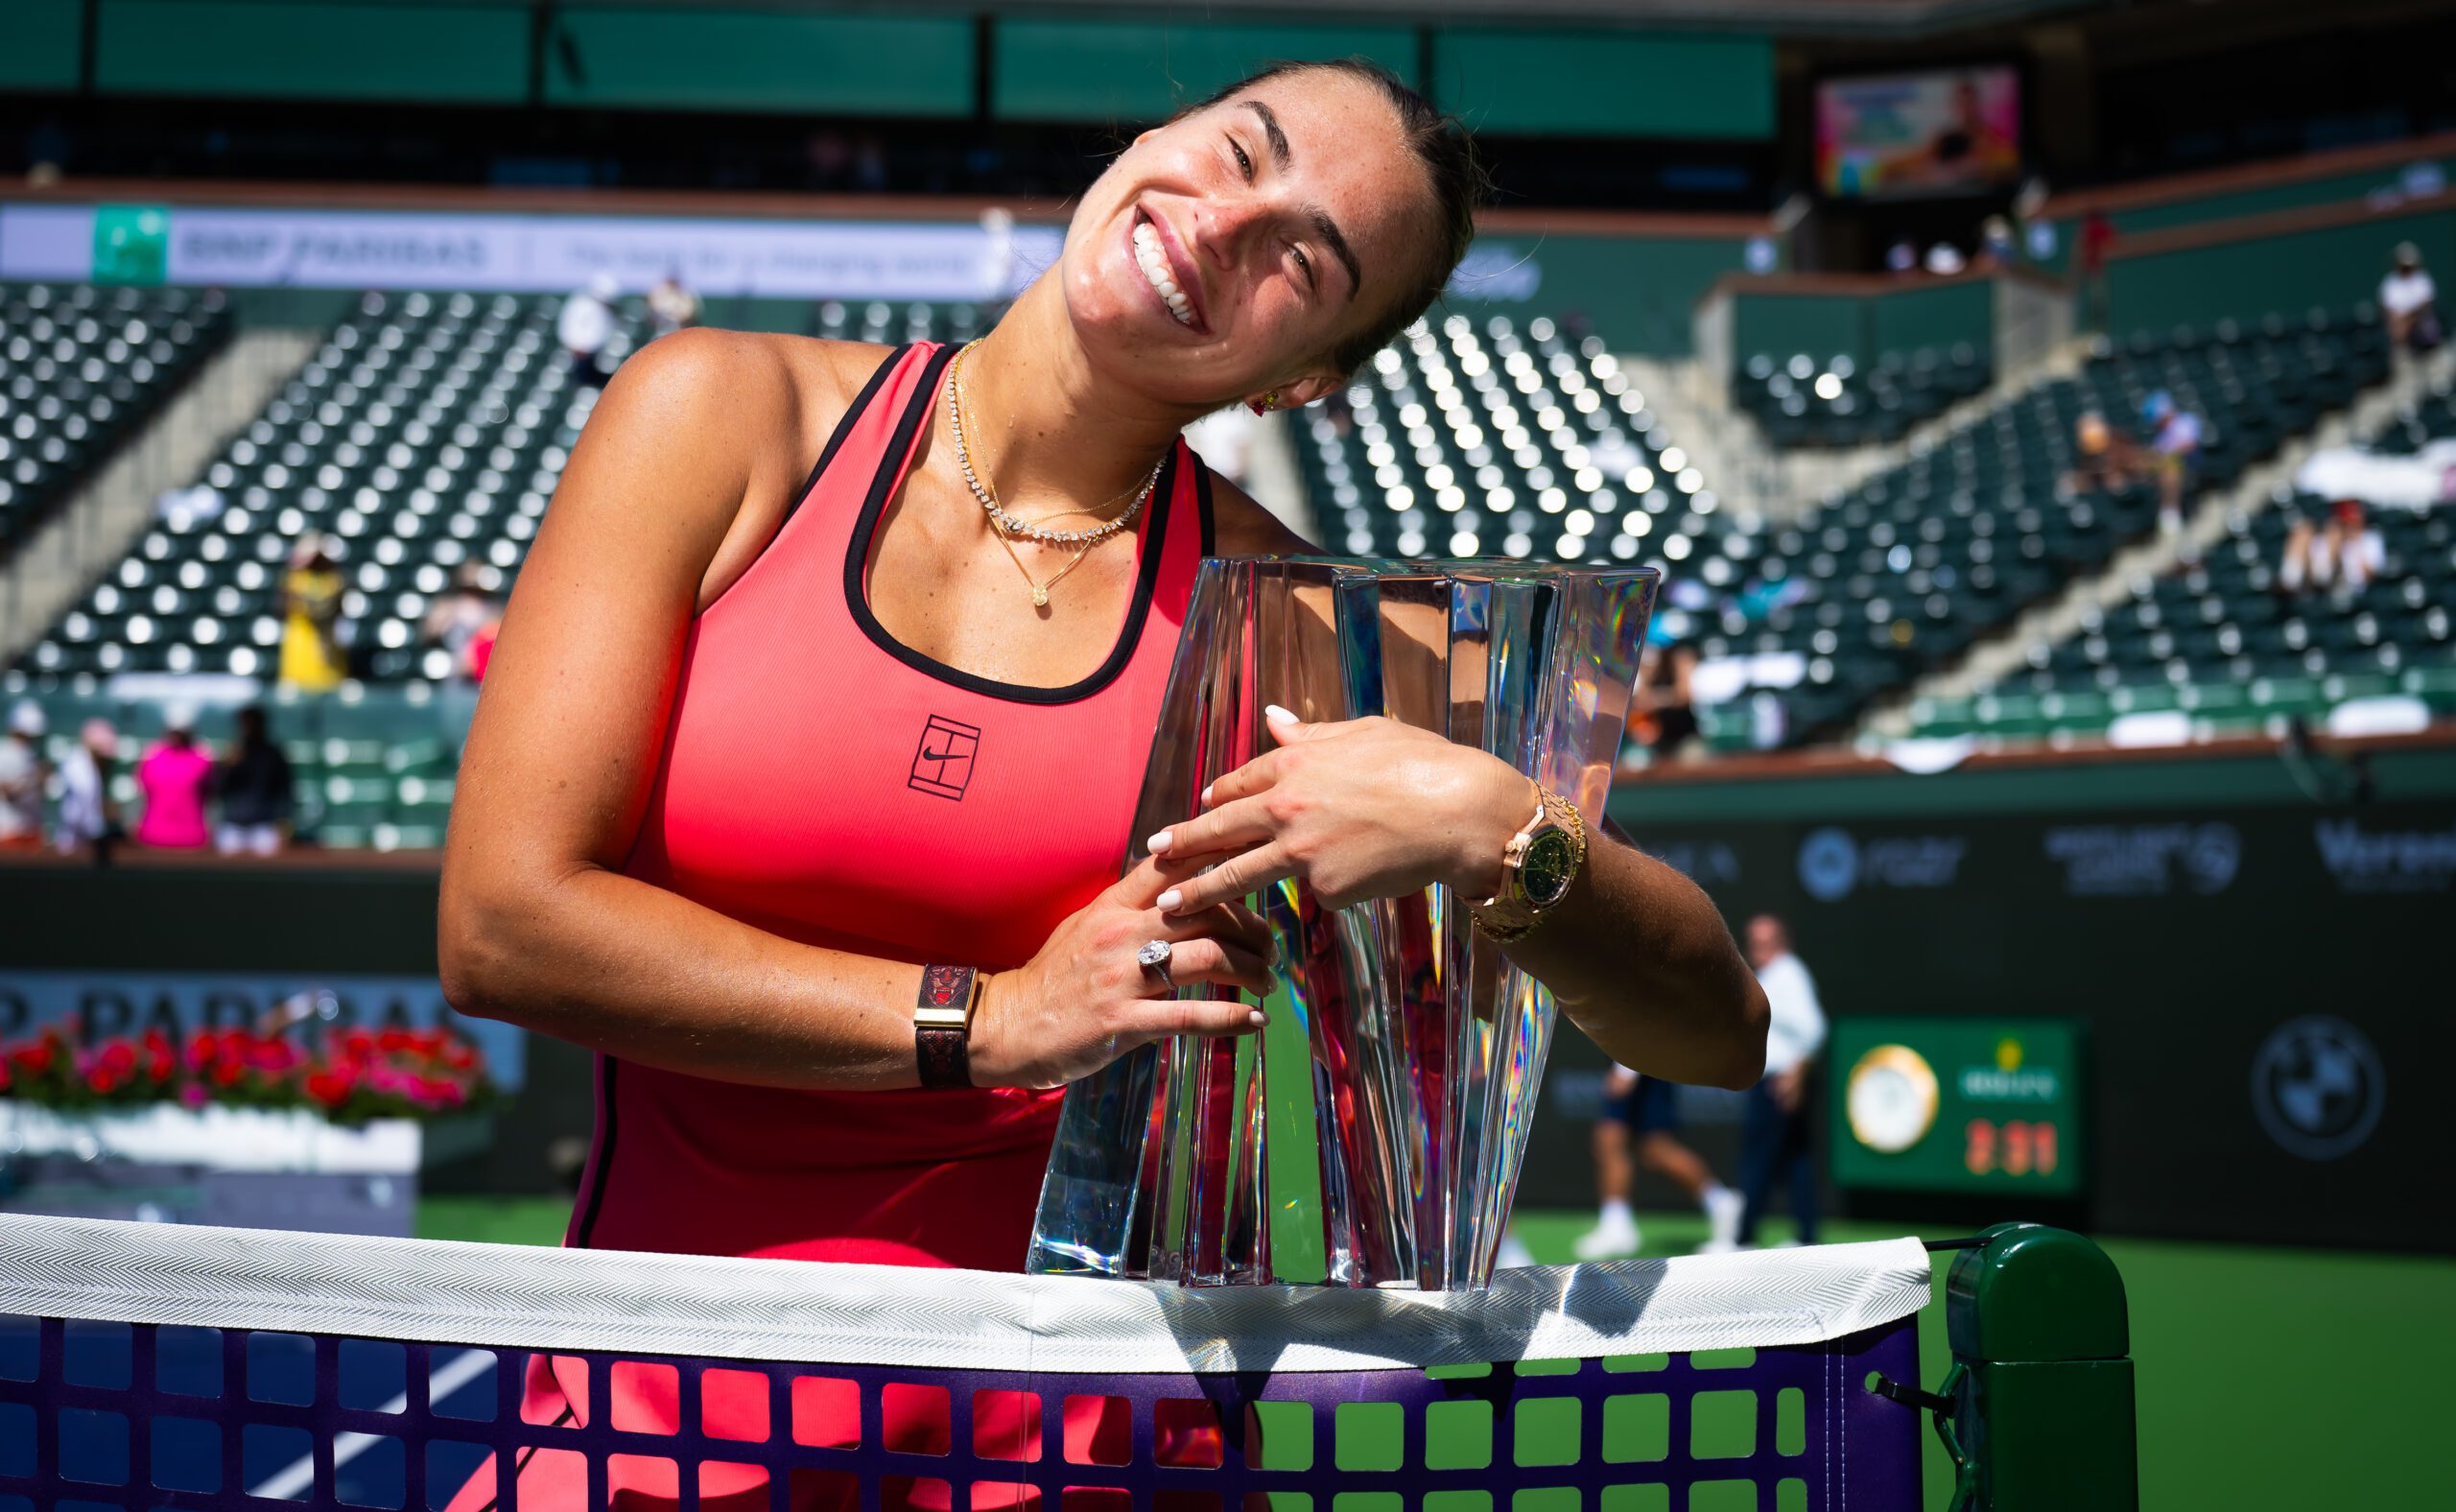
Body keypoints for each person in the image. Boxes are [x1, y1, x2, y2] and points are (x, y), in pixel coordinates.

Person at [437, 58, 1768, 1509]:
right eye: (1236, 150)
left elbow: (1716, 1033)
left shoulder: (1294, 619)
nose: (1225, 223)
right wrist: (994, 1019)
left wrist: (1505, 827)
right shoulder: (715, 412)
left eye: (1302, 258)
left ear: (1302, 377)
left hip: (1087, 1456)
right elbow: (505, 927)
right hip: (659, 1431)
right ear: (1150, 136)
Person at [1574, 1064, 1745, 1259]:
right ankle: (1719, 1201)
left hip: (1638, 1061)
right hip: (1642, 1060)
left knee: (1619, 1140)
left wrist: (1626, 1070)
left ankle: (1720, 1201)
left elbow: (1635, 1032)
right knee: (1647, 1148)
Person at [1736, 914, 1825, 1250]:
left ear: (1782, 942)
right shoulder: (1776, 974)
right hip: (1779, 1082)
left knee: (1758, 1161)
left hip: (1778, 1084)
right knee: (1795, 1161)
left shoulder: (1788, 973)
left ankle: (1743, 1238)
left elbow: (1814, 1028)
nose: (1758, 948)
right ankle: (1806, 1237)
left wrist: (1796, 1075)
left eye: (1766, 941)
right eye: (1754, 941)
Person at [212, 705, 294, 856]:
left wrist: (284, 822)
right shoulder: (233, 754)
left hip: (264, 825)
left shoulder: (273, 754)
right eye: (245, 723)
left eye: (252, 722)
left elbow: (285, 790)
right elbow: (218, 790)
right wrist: (227, 768)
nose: (249, 728)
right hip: (233, 824)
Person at [132, 709, 213, 850]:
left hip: (172, 837)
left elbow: (141, 791)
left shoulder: (151, 756)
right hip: (175, 837)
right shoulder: (202, 758)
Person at [278, 535, 347, 693]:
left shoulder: (333, 579)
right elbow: (283, 607)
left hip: (327, 651)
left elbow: (325, 609)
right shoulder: (294, 579)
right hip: (300, 648)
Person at [2141, 390, 2203, 541]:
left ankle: (2170, 510)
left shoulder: (2186, 421)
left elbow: (2189, 446)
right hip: (2165, 467)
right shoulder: (2160, 435)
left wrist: (2169, 452)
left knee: (2170, 468)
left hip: (2189, 462)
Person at [53, 718, 117, 861]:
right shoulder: (79, 766)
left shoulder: (85, 764)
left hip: (80, 841)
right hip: (75, 844)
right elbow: (81, 808)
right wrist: (98, 832)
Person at [557, 272, 621, 389]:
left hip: (593, 353)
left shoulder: (592, 306)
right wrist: (581, 348)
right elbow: (575, 329)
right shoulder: (583, 304)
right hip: (583, 353)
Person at [0, 701, 46, 850]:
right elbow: (7, 791)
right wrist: (33, 781)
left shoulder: (29, 756)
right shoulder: (4, 753)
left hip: (30, 830)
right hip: (9, 831)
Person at [2380, 243, 2440, 357]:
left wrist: (2408, 320)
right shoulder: (2390, 283)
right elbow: (2390, 311)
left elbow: (2425, 305)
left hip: (2423, 331)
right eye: (2403, 266)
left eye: (2409, 266)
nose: (2406, 269)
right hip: (2400, 335)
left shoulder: (2422, 279)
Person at [648, 270, 702, 340]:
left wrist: (677, 315)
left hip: (681, 327)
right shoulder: (659, 292)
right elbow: (654, 309)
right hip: (661, 325)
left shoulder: (686, 293)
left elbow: (690, 311)